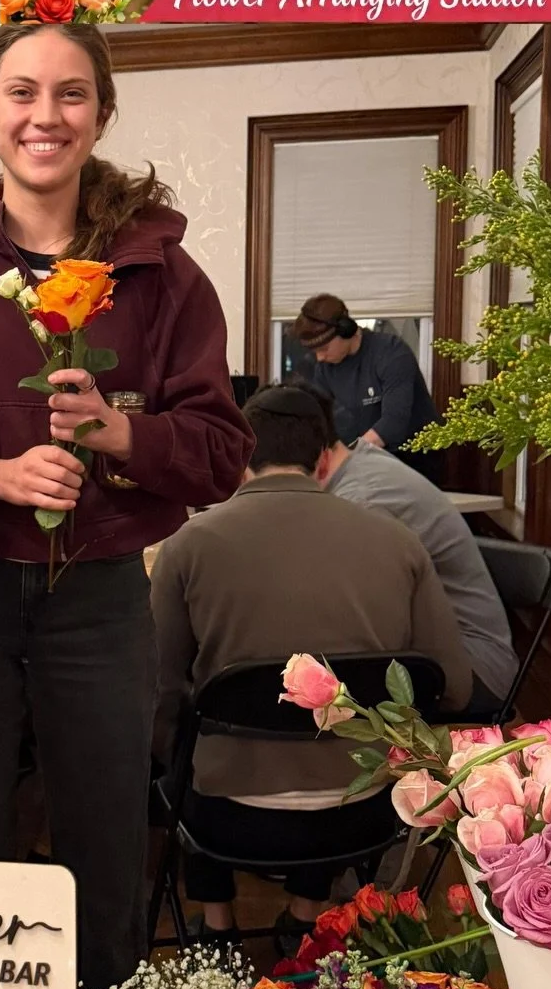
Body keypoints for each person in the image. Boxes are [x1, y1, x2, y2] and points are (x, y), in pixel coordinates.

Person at [0, 19, 251, 989]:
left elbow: (221, 454)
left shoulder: (167, 276)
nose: (44, 115)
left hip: (97, 600)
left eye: (70, 94)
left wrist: (122, 435)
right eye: (20, 92)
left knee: (102, 828)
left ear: (102, 110)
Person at [149, 383, 471, 953]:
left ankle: (217, 926)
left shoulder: (186, 546)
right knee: (335, 733)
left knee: (183, 742)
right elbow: (454, 686)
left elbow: (161, 694)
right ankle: (305, 916)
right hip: (362, 815)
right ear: (324, 459)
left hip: (226, 813)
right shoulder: (398, 543)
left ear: (240, 458)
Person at [301, 382, 518, 717]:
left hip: (471, 669)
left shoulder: (361, 501)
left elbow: (370, 624)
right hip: (440, 652)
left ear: (318, 460)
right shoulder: (359, 464)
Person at [289, 292, 441, 482]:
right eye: (315, 351)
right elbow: (322, 420)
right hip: (370, 460)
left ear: (345, 331)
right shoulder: (325, 369)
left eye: (324, 349)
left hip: (416, 460)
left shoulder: (391, 353)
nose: (320, 358)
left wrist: (348, 459)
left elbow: (393, 422)